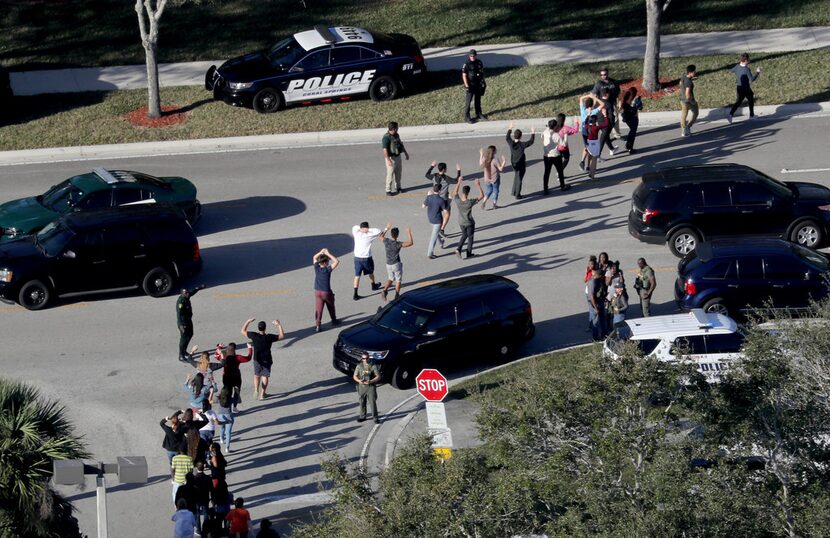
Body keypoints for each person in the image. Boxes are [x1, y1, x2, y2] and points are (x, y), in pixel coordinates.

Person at [241, 318, 284, 400]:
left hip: (257, 359)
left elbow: (243, 331)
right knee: (265, 376)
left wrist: (248, 321)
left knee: (257, 375)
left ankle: (256, 389)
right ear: (265, 328)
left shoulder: (254, 335)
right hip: (267, 359)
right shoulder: (269, 337)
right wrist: (278, 325)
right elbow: (282, 336)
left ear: (258, 328)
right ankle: (262, 394)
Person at [379, 225, 414, 301]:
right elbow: (410, 243)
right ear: (397, 235)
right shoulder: (398, 244)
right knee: (398, 280)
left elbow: (380, 236)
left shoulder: (386, 241)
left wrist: (386, 228)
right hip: (396, 264)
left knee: (390, 278)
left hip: (388, 264)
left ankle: (384, 291)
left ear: (391, 234)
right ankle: (396, 295)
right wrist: (409, 233)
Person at [453, 177, 485, 259]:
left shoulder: (458, 201)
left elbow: (455, 192)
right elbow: (481, 196)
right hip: (469, 222)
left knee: (464, 234)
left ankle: (459, 249)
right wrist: (478, 185)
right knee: (470, 237)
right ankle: (468, 253)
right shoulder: (470, 202)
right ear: (468, 193)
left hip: (461, 222)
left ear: (462, 192)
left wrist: (459, 182)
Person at [351, 221, 384, 300]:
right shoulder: (370, 235)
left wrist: (361, 229)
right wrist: (368, 230)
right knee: (371, 272)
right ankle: (373, 285)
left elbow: (354, 227)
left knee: (357, 276)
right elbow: (379, 230)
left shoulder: (356, 233)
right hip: (367, 258)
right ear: (367, 228)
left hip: (357, 258)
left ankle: (355, 294)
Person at [216, 342, 252, 412]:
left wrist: (219, 347)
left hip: (226, 377)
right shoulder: (238, 357)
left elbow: (216, 355)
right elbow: (248, 358)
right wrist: (250, 348)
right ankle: (234, 407)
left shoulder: (224, 356)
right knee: (236, 392)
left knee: (227, 392)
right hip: (236, 377)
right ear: (235, 349)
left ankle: (227, 406)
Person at [312, 248, 341, 332]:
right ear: (325, 263)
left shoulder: (316, 268)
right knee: (331, 306)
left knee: (319, 309)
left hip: (317, 291)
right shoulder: (327, 270)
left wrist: (320, 252)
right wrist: (328, 253)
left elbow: (314, 257)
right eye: (327, 262)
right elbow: (336, 261)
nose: (328, 263)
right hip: (326, 292)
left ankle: (318, 325)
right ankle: (334, 320)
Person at [425, 161, 461, 227]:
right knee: (447, 213)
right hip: (444, 200)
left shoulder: (434, 176)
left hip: (435, 198)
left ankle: (437, 226)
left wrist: (432, 166)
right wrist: (459, 170)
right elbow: (456, 180)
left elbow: (427, 175)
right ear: (444, 169)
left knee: (437, 212)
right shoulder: (446, 178)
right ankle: (442, 228)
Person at [728, 53, 761, 123]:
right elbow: (752, 79)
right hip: (746, 88)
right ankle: (751, 115)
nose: (749, 60)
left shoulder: (737, 66)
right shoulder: (746, 69)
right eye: (748, 59)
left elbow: (731, 70)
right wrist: (757, 72)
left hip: (739, 88)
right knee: (751, 99)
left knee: (738, 102)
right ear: (745, 60)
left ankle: (730, 114)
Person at [506, 122, 535, 200]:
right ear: (521, 136)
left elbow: (507, 137)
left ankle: (513, 191)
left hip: (513, 163)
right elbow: (531, 141)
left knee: (516, 176)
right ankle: (517, 195)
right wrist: (533, 132)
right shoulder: (522, 145)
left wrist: (510, 128)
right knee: (519, 179)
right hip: (521, 164)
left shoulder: (511, 143)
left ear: (514, 136)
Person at [177, 284, 206, 362]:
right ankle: (181, 355)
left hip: (188, 320)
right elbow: (179, 315)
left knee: (190, 334)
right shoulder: (181, 302)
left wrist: (199, 287)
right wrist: (181, 325)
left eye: (187, 292)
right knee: (183, 339)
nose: (187, 294)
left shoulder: (187, 296)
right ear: (182, 294)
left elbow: (192, 292)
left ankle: (184, 351)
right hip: (183, 324)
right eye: (186, 293)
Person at [591, 67, 621, 140]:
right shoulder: (599, 84)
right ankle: (604, 135)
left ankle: (617, 135)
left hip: (613, 103)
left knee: (615, 119)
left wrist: (619, 102)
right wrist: (593, 106)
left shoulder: (614, 82)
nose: (604, 76)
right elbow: (594, 95)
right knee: (603, 120)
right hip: (603, 105)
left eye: (605, 74)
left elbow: (618, 93)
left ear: (608, 74)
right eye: (602, 75)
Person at [382, 121, 409, 196]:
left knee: (398, 173)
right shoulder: (386, 138)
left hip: (398, 157)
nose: (398, 129)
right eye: (397, 128)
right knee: (390, 174)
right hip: (391, 158)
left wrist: (405, 153)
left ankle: (398, 187)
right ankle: (388, 190)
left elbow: (400, 144)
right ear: (393, 129)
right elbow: (384, 150)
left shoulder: (397, 135)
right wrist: (388, 160)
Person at [422, 184, 449, 259]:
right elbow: (446, 211)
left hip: (430, 218)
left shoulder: (429, 197)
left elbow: (423, 206)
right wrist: (448, 202)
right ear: (440, 190)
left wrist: (427, 196)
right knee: (433, 238)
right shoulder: (441, 200)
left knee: (435, 233)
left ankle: (441, 242)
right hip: (437, 220)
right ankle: (430, 254)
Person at [353, 353, 381, 423]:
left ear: (369, 358)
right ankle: (363, 416)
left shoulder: (373, 365)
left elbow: (378, 376)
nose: (364, 360)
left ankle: (375, 417)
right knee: (362, 402)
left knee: (372, 402)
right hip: (361, 386)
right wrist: (359, 381)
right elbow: (355, 376)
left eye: (366, 358)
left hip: (370, 387)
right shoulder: (359, 366)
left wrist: (371, 381)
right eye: (363, 358)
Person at [578, 94, 604, 171]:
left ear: (586, 104)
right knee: (590, 149)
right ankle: (587, 165)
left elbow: (581, 98)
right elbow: (602, 104)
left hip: (584, 130)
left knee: (586, 146)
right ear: (592, 105)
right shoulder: (593, 111)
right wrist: (595, 97)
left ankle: (583, 162)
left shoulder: (582, 110)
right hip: (591, 131)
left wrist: (588, 95)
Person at [461, 49, 487, 123]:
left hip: (478, 84)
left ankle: (478, 114)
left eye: (474, 56)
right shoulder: (466, 64)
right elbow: (464, 75)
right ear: (469, 56)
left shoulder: (479, 62)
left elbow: (481, 72)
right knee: (468, 102)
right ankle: (467, 117)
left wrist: (483, 82)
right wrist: (466, 85)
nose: (472, 57)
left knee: (478, 100)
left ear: (476, 55)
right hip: (470, 85)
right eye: (471, 56)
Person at [584, 110, 609, 179]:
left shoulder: (587, 126)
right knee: (594, 159)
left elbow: (585, 122)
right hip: (595, 144)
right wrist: (605, 115)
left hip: (589, 143)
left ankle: (588, 167)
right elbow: (606, 124)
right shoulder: (596, 127)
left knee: (590, 155)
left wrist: (588, 115)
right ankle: (592, 174)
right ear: (595, 121)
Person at [479, 145, 505, 210]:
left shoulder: (485, 159)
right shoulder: (495, 160)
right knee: (495, 191)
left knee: (489, 190)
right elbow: (500, 169)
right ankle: (494, 204)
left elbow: (480, 163)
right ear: (494, 152)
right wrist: (504, 161)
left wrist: (481, 154)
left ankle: (484, 202)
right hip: (495, 179)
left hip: (487, 179)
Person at [192, 461, 213, 535]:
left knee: (197, 514)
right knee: (206, 513)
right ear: (204, 468)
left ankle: (198, 529)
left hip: (197, 499)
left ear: (197, 468)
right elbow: (211, 489)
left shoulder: (194, 479)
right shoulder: (208, 478)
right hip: (205, 498)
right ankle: (206, 528)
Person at [586, 268, 607, 341]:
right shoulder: (592, 282)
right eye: (602, 276)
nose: (603, 277)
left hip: (600, 301)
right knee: (595, 321)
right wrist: (595, 308)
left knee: (602, 320)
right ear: (599, 275)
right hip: (595, 304)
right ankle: (595, 338)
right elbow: (591, 296)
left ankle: (604, 335)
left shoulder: (598, 280)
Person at [620, 87, 643, 153]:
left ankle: (628, 145)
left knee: (631, 131)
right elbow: (640, 108)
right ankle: (629, 147)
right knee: (633, 133)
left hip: (627, 118)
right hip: (634, 118)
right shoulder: (636, 99)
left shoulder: (624, 98)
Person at [214, 387, 234, 453]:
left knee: (222, 428)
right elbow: (238, 401)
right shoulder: (230, 399)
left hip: (220, 416)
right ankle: (227, 448)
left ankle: (221, 439)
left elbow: (213, 399)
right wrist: (237, 393)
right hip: (229, 416)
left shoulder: (218, 398)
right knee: (228, 433)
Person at [680, 64, 698, 137]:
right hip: (688, 101)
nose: (695, 72)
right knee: (696, 113)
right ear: (690, 72)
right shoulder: (689, 82)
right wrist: (691, 101)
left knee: (684, 115)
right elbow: (687, 93)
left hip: (682, 100)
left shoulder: (683, 77)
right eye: (694, 71)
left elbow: (680, 84)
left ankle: (684, 130)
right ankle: (687, 127)